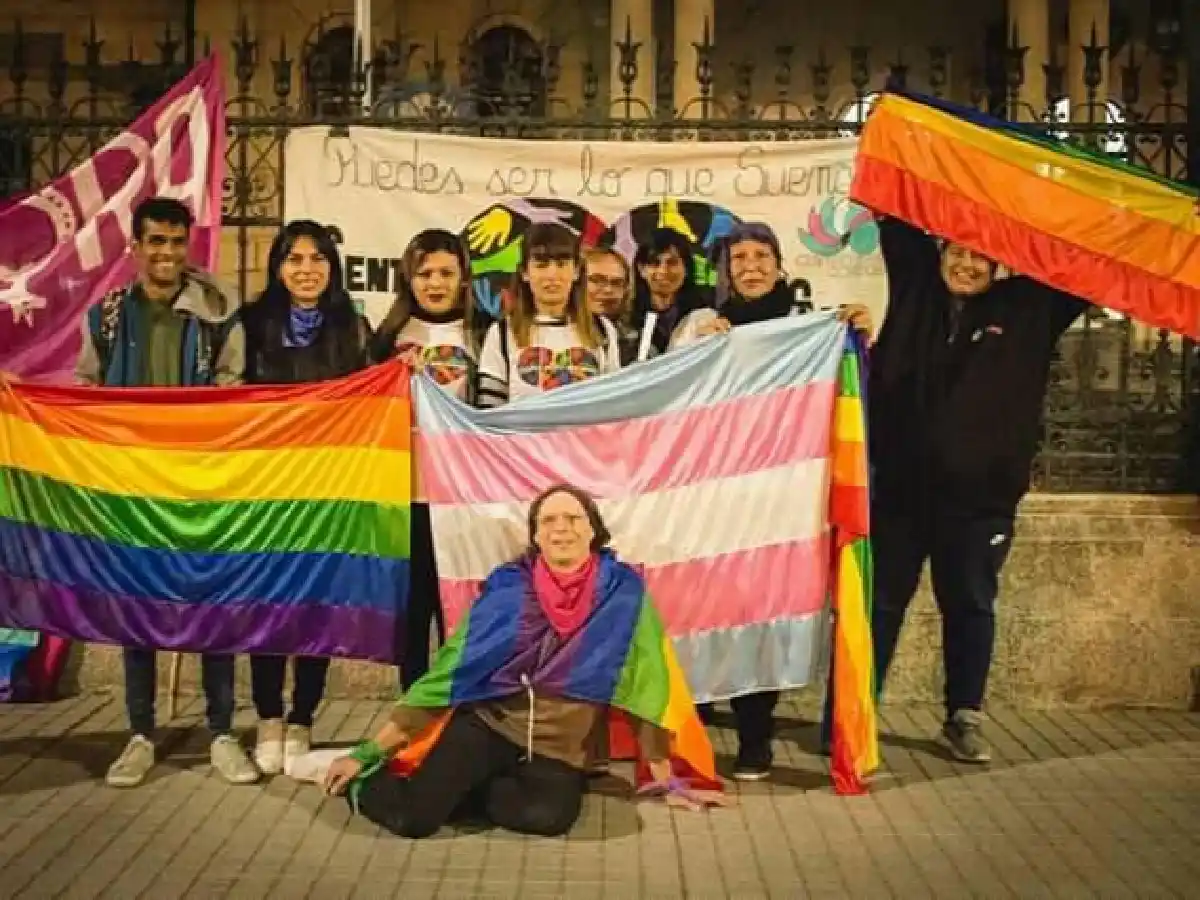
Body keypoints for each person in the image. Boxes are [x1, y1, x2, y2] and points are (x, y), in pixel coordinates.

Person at [322, 484, 727, 838]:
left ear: (593, 530)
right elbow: (450, 673)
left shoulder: (623, 594)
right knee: (414, 819)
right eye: (549, 520)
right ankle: (365, 783)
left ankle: (466, 788)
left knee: (547, 819)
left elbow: (647, 682)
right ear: (536, 534)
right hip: (490, 727)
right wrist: (369, 752)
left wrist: (664, 777)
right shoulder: (509, 589)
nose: (561, 528)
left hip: (560, 749)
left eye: (573, 518)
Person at [863, 215, 1088, 764]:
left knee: (969, 606)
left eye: (980, 258)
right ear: (939, 255)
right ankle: (855, 713)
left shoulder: (1030, 309)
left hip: (979, 503)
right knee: (882, 605)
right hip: (900, 494)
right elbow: (895, 212)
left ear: (997, 264)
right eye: (957, 253)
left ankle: (963, 717)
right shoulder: (915, 288)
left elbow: (1082, 264)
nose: (966, 265)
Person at [677, 221, 873, 781]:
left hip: (779, 499)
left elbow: (850, 386)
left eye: (762, 254)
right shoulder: (706, 326)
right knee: (705, 611)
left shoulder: (808, 327)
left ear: (780, 264)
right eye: (739, 257)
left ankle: (756, 738)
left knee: (759, 614)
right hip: (713, 497)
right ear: (726, 270)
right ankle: (693, 732)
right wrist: (696, 348)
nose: (751, 265)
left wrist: (857, 336)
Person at [74, 196, 258, 788]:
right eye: (155, 241)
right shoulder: (104, 318)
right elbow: (86, 394)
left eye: (177, 242)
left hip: (200, 485)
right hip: (132, 489)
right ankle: (139, 733)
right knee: (138, 613)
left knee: (212, 608)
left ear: (188, 246)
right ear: (135, 247)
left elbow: (233, 392)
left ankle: (223, 732)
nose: (167, 253)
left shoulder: (217, 312)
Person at [241, 219, 372, 776]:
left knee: (317, 608)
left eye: (317, 259)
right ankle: (268, 717)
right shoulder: (250, 325)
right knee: (269, 605)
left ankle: (302, 720)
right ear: (277, 268)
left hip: (328, 489)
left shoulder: (352, 327)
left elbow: (370, 399)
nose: (306, 269)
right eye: (294, 259)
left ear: (333, 269)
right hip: (268, 489)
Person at [369, 229, 483, 689]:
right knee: (412, 617)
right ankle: (412, 719)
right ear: (408, 278)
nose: (435, 283)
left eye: (445, 273)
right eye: (424, 273)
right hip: (405, 497)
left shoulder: (484, 334)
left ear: (463, 278)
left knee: (459, 610)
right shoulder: (388, 337)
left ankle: (457, 715)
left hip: (459, 498)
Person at [476, 223, 621, 408]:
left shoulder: (602, 330)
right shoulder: (503, 332)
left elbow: (612, 405)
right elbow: (490, 409)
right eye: (541, 265)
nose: (552, 275)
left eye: (562, 264)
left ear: (576, 271)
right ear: (525, 273)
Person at [629, 228, 712, 358]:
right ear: (641, 269)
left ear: (686, 269)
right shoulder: (627, 317)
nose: (663, 271)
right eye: (654, 263)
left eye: (672, 262)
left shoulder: (704, 317)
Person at [583, 247, 641, 365]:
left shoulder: (638, 345)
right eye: (597, 280)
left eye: (616, 283)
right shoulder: (555, 335)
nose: (608, 289)